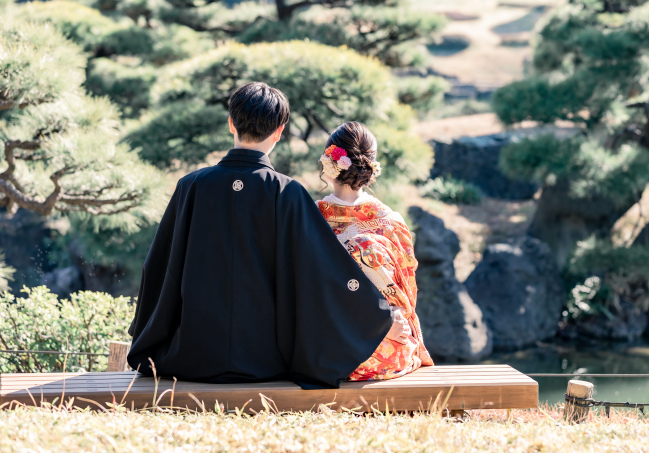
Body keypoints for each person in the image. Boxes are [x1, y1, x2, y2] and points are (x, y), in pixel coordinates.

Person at [127, 82, 396, 389]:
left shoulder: (192, 186)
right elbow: (324, 272)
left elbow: (160, 267)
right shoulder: (287, 192)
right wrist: (374, 313)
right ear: (279, 132)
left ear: (231, 123)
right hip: (265, 361)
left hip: (191, 355)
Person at [316, 122, 433, 381]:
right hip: (390, 353)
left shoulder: (311, 220)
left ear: (328, 164)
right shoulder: (392, 222)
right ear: (369, 168)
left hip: (330, 351)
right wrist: (387, 320)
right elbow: (407, 290)